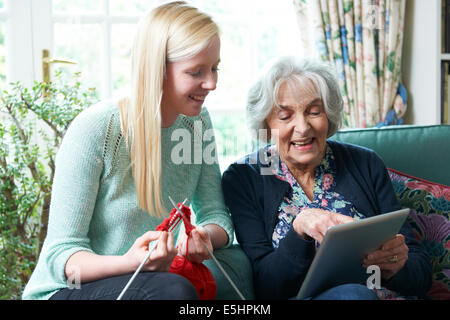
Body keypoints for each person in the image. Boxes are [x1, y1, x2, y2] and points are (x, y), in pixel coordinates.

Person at [22, 1, 234, 300]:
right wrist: (131, 263)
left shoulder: (197, 124)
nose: (211, 83)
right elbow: (62, 257)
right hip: (69, 289)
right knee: (173, 289)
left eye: (214, 68)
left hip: (149, 283)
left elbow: (215, 215)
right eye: (196, 71)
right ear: (157, 68)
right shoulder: (98, 129)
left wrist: (202, 237)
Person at [221, 56, 432, 300]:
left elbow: (421, 274)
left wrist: (398, 265)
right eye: (285, 116)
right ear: (266, 124)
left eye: (314, 112)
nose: (302, 127)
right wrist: (300, 228)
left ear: (328, 115)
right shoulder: (245, 177)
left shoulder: (366, 164)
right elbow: (267, 288)